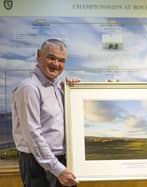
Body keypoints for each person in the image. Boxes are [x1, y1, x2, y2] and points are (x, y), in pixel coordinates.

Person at [12, 39, 79, 187]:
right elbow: (32, 134)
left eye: (61, 60)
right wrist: (58, 169)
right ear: (38, 56)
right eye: (51, 57)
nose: (56, 64)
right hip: (38, 163)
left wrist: (71, 91)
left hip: (61, 159)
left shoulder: (58, 88)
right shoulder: (29, 88)